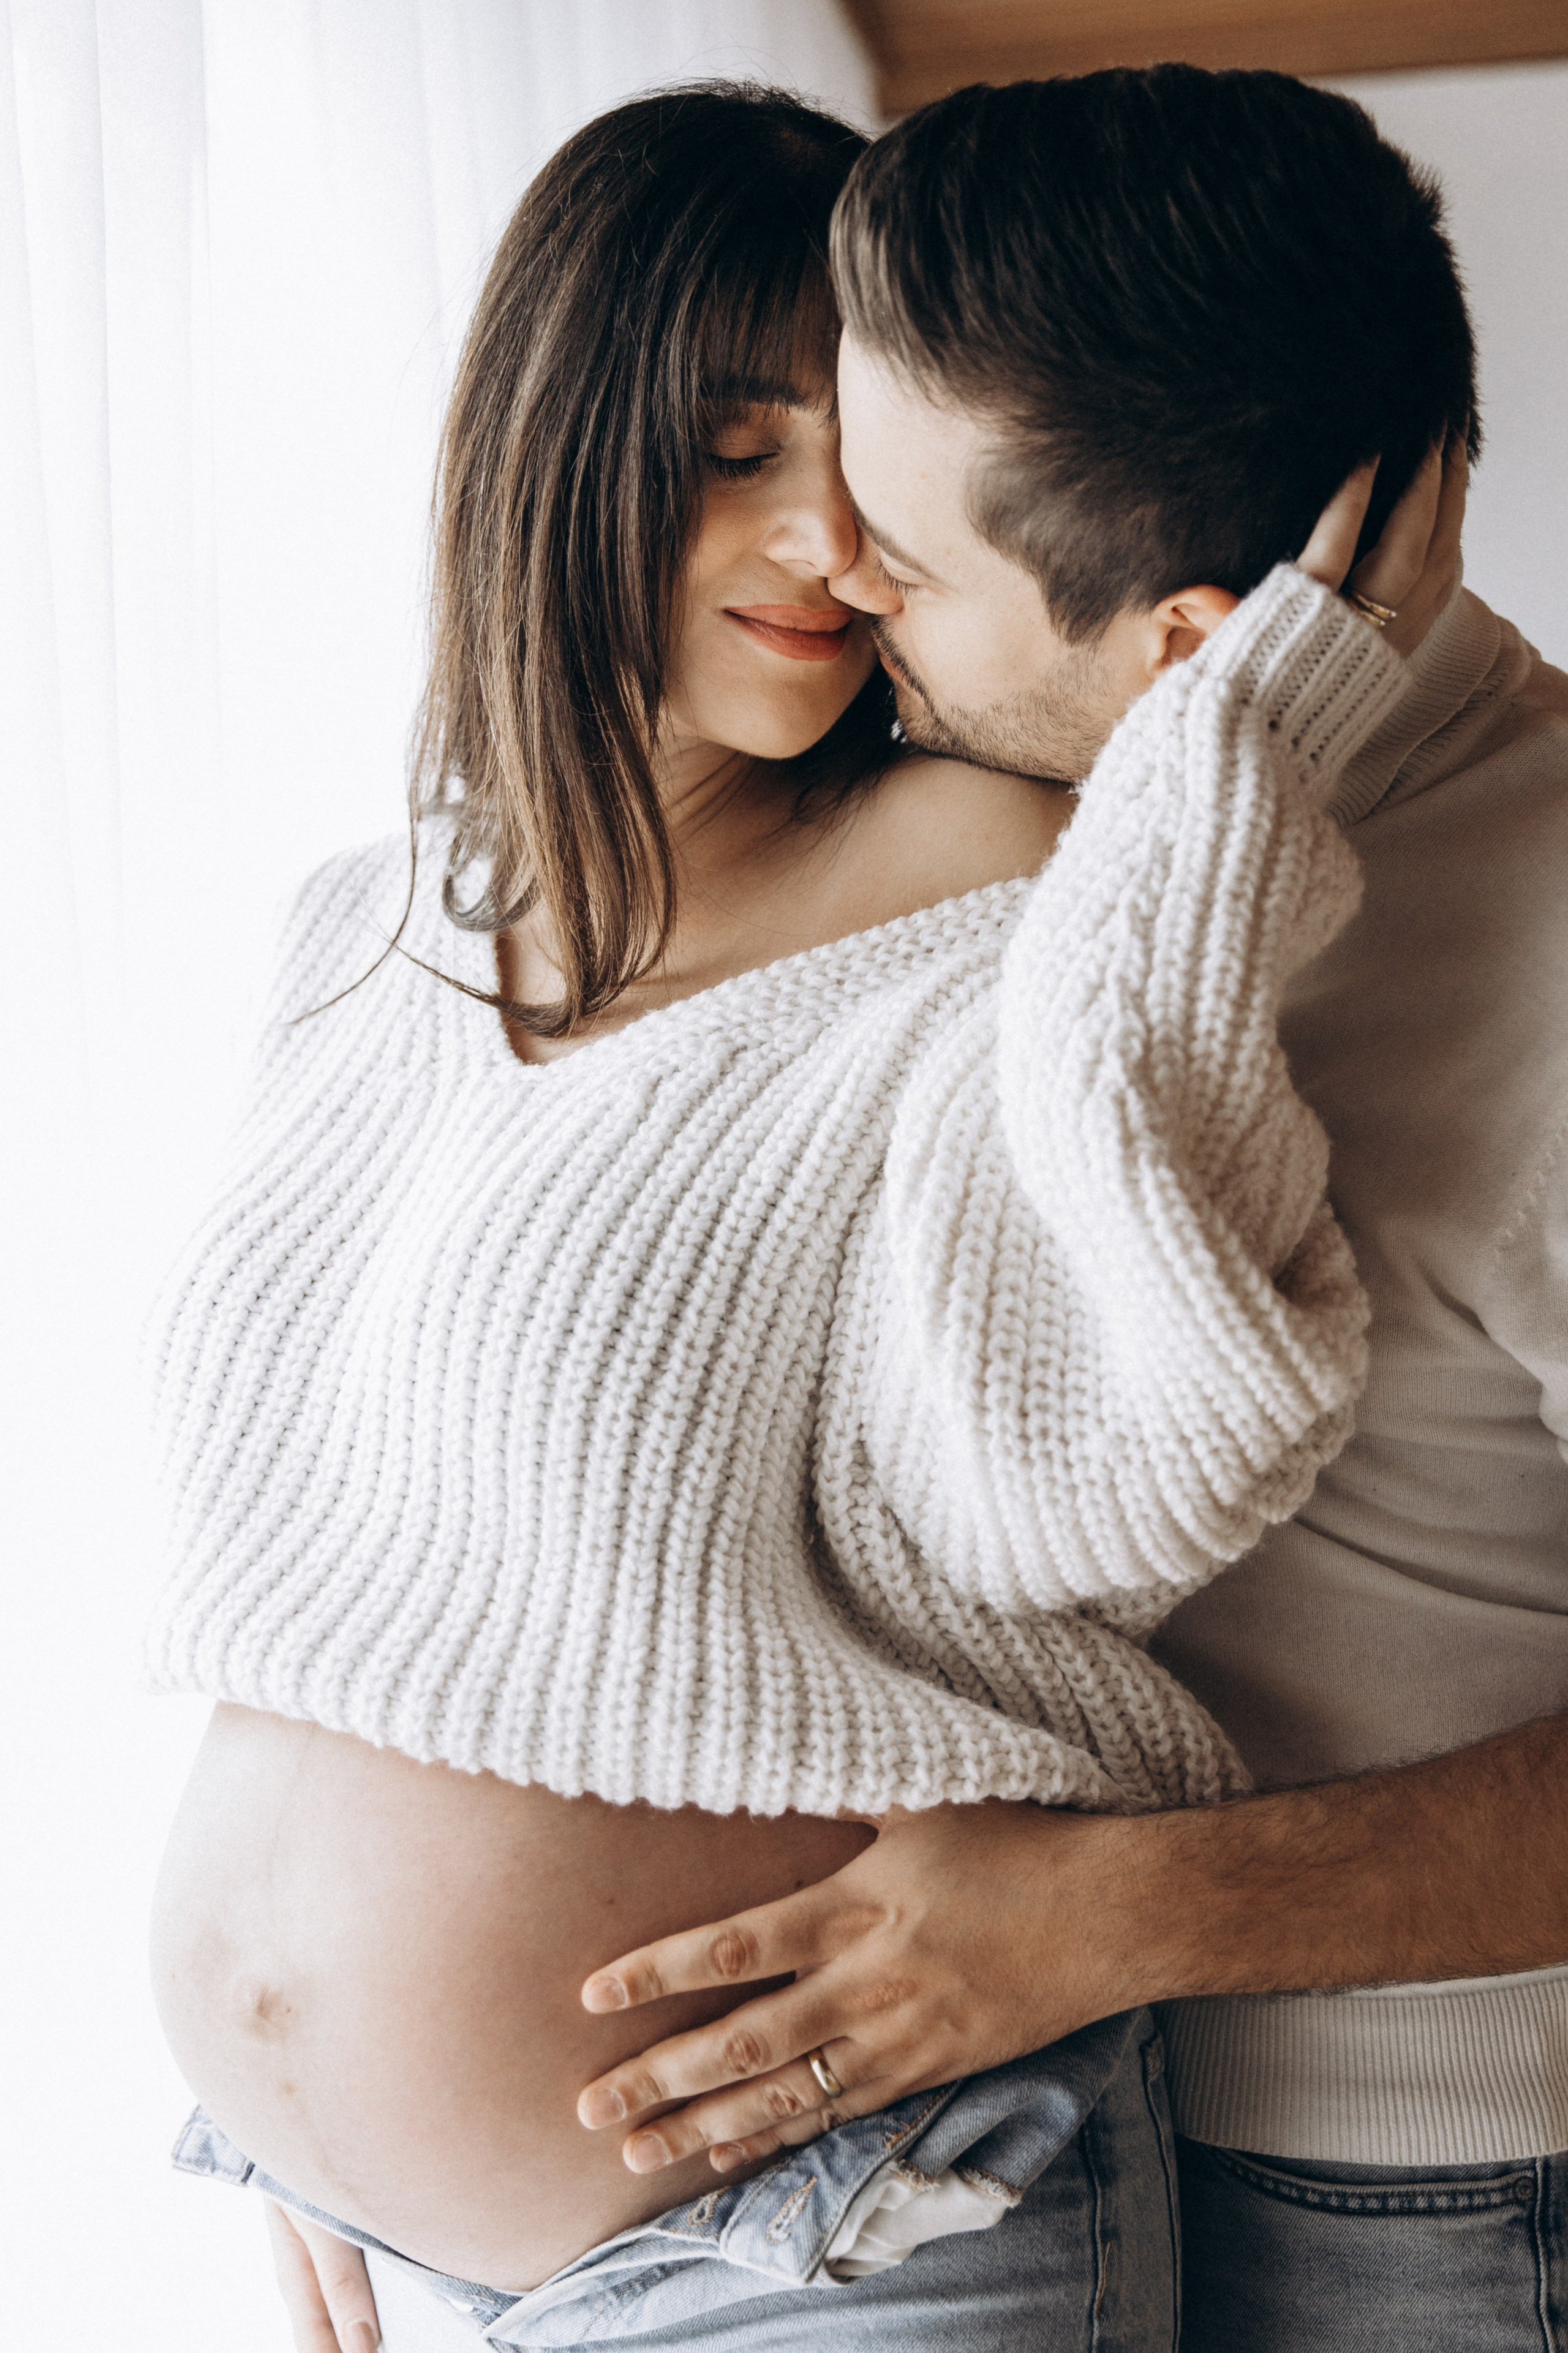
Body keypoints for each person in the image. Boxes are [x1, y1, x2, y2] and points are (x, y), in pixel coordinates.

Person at [147, 77, 1452, 2353]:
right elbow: (341, 1584)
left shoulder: (995, 882)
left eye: (856, 466)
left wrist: (1232, 737)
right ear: (558, 442)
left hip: (835, 2226)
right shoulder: (366, 932)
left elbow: (1129, 1451)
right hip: (431, 2256)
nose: (827, 544)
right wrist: (302, 2093)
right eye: (736, 447)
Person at [579, 68, 1568, 2351]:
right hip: (1009, 2140)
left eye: (904, 559)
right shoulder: (1000, 812)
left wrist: (1120, 1916)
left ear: (1192, 650)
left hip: (1427, 2203)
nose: (839, 584)